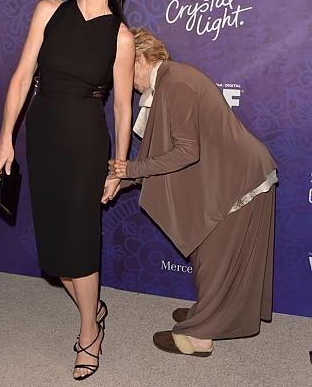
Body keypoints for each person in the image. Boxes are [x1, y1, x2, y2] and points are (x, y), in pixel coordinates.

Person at [0, 0, 135, 380]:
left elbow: (123, 109)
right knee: (55, 255)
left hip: (85, 143)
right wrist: (5, 139)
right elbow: (21, 80)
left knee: (79, 242)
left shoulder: (121, 36)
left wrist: (119, 167)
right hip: (43, 134)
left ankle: (89, 333)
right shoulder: (47, 11)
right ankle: (95, 306)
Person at [109, 27, 277, 357]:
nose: (123, 83)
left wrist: (130, 171)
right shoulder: (167, 84)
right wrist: (121, 179)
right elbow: (159, 159)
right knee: (208, 256)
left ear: (141, 59)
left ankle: (200, 336)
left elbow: (186, 152)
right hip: (226, 177)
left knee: (213, 258)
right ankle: (212, 315)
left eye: (125, 70)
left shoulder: (176, 84)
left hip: (239, 179)